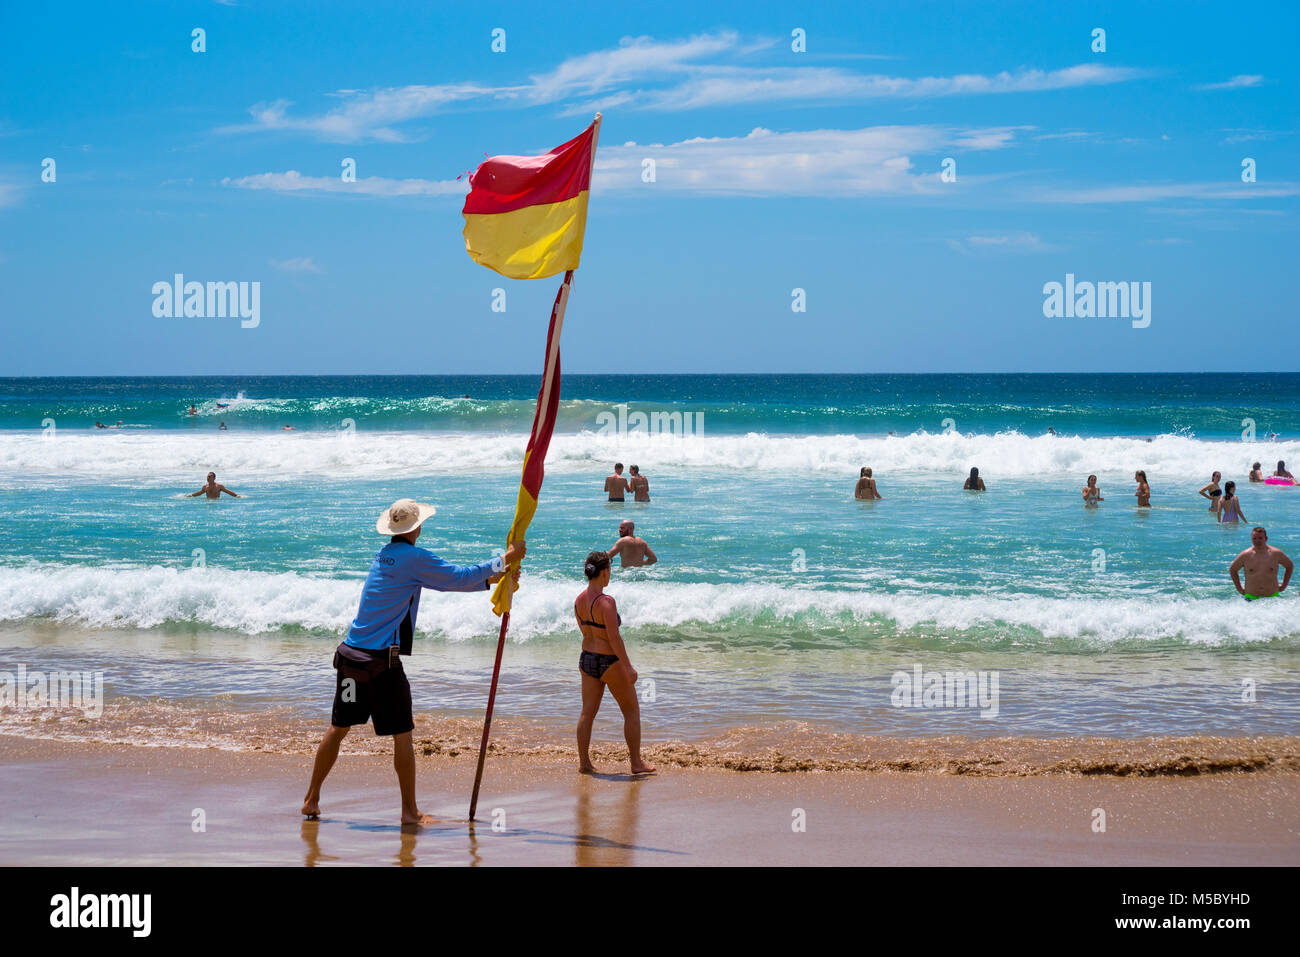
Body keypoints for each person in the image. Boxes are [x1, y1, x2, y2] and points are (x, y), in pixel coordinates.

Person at [302, 499, 524, 824]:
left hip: (351, 658)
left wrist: (496, 580)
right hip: (382, 666)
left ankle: (311, 800)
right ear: (417, 527)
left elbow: (451, 582)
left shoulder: (383, 556)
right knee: (402, 733)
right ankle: (408, 812)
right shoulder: (415, 558)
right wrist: (504, 560)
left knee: (338, 729)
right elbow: (458, 577)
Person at [574, 550, 654, 775]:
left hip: (587, 660)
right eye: (609, 570)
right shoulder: (606, 602)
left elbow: (585, 632)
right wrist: (628, 667)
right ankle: (636, 763)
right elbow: (614, 638)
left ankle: (584, 763)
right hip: (609, 662)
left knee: (586, 713)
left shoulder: (579, 600)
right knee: (631, 711)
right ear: (604, 572)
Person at [1229, 526, 1293, 600]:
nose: (1257, 541)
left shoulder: (1276, 553)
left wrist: (1284, 586)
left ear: (1266, 539)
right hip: (1251, 597)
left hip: (1272, 597)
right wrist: (1239, 589)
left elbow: (1289, 566)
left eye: (1260, 538)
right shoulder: (1245, 555)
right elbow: (1233, 570)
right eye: (1254, 538)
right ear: (1251, 539)